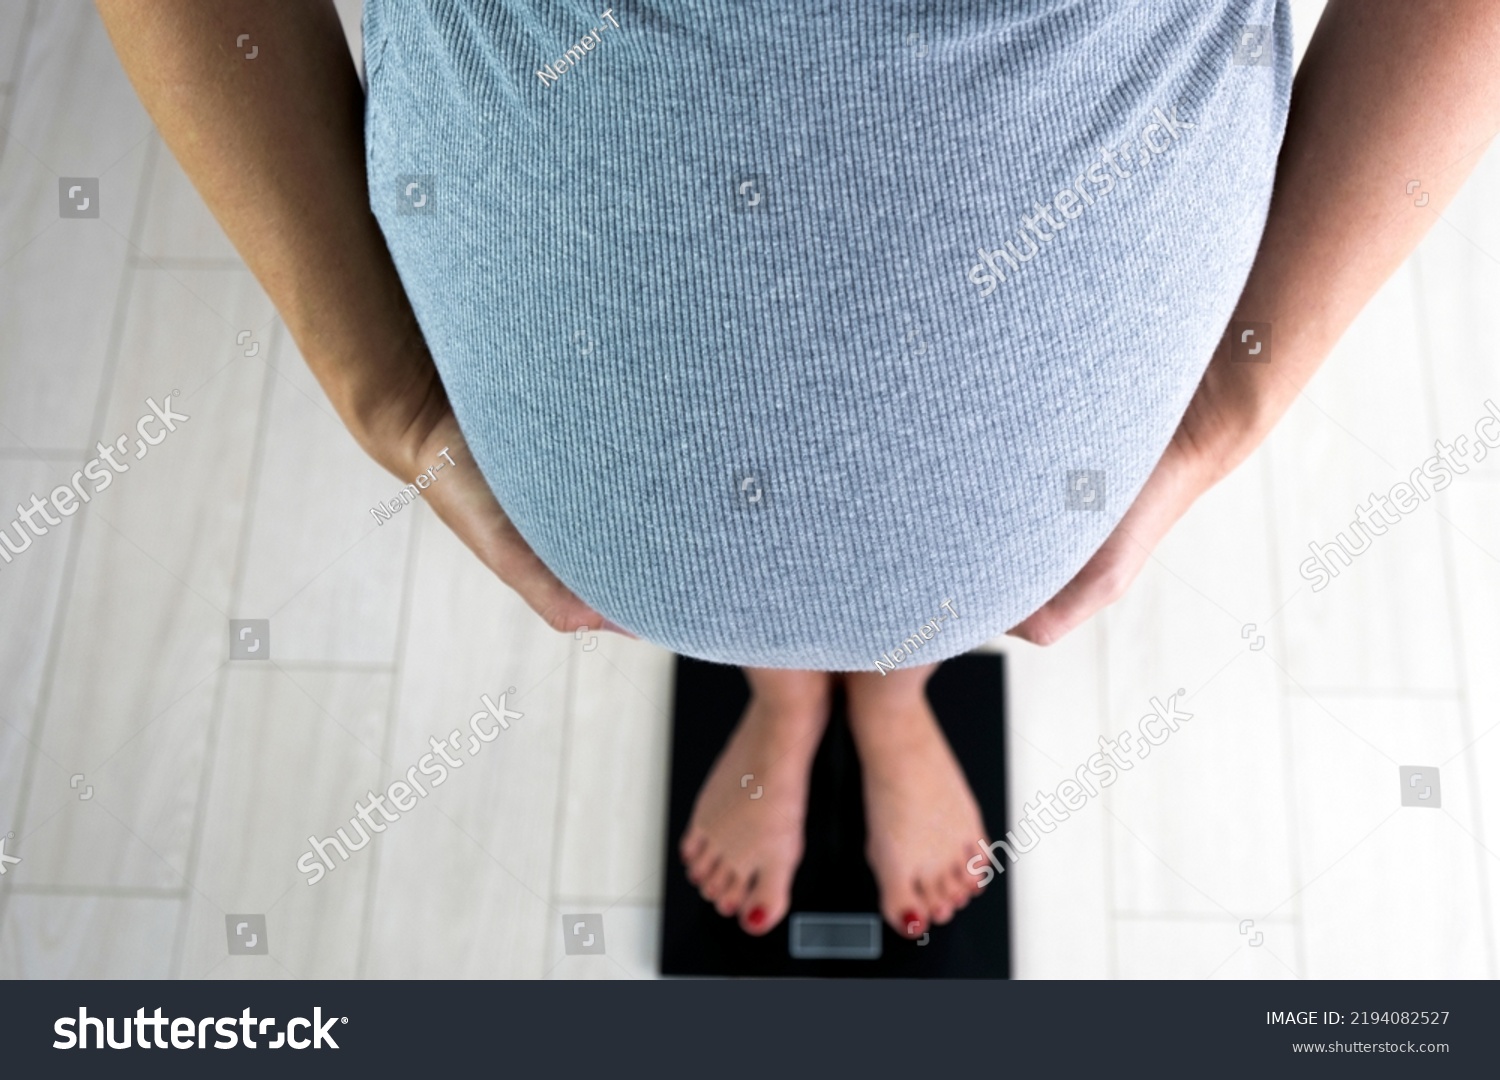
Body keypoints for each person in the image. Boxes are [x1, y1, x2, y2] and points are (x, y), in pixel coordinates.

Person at [97, 0, 1500, 942]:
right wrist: (385, 395)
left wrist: (1230, 402)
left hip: (970, 501)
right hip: (664, 470)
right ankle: (790, 702)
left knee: (902, 595)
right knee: (828, 581)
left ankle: (882, 707)